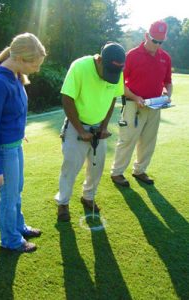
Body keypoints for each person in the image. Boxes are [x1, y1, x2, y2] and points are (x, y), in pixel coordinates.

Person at [0, 33, 46, 252]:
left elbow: (14, 111)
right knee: (8, 196)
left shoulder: (15, 75)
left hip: (14, 144)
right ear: (20, 59)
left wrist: (18, 131)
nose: (37, 69)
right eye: (35, 64)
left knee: (17, 189)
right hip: (4, 151)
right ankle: (10, 240)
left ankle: (18, 226)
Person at [55, 42, 125, 221]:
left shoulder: (116, 70)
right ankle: (63, 202)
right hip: (76, 126)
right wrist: (80, 130)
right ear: (100, 60)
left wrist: (103, 127)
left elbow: (112, 99)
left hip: (98, 126)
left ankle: (88, 197)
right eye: (107, 72)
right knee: (70, 167)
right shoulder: (80, 66)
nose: (109, 78)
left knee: (97, 167)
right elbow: (67, 98)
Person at [111, 20, 172, 187]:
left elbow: (167, 82)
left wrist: (167, 94)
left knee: (148, 141)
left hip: (155, 106)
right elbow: (120, 83)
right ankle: (117, 172)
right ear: (146, 36)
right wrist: (136, 97)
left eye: (161, 41)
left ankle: (140, 170)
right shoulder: (131, 55)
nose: (157, 44)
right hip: (133, 105)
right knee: (127, 139)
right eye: (155, 40)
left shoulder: (165, 58)